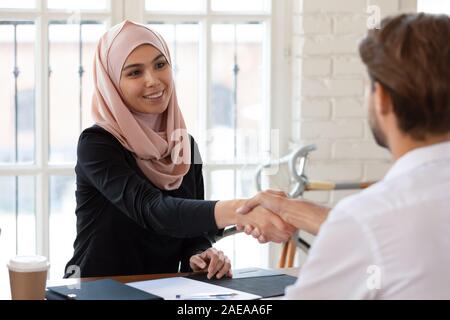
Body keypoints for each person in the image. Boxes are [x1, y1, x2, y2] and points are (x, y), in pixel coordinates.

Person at [237, 13, 450, 299]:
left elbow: (377, 230)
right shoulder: (378, 218)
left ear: (382, 99)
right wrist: (290, 209)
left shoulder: (369, 219)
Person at [65, 20, 295, 279]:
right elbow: (153, 209)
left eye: (160, 65)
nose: (153, 80)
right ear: (112, 84)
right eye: (134, 72)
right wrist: (243, 211)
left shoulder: (185, 144)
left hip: (160, 289)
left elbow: (191, 234)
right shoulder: (97, 143)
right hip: (92, 289)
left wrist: (201, 253)